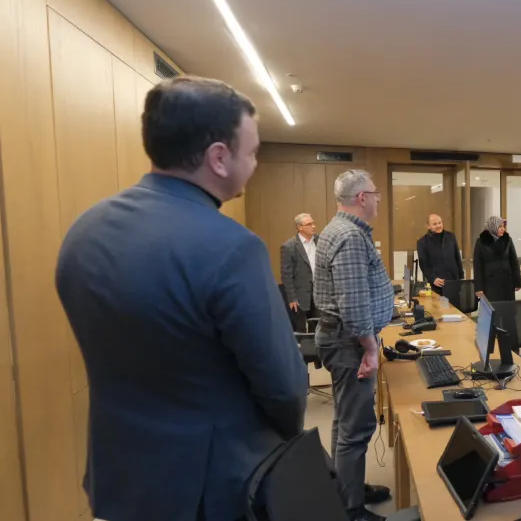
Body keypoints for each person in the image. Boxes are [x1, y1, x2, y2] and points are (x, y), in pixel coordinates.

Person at [55, 76, 308, 521]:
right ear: (219, 157)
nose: (254, 164)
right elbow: (284, 389)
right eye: (252, 152)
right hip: (211, 489)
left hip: (120, 479)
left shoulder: (83, 232)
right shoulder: (233, 248)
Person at [314, 169, 395, 521]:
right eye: (375, 193)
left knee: (344, 422)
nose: (378, 199)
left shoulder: (343, 230)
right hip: (350, 345)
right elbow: (353, 305)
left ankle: (347, 489)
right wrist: (371, 349)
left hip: (344, 341)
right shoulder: (348, 236)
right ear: (362, 198)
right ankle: (351, 510)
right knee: (355, 429)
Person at [281, 212, 319, 332]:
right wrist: (292, 298)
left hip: (319, 294)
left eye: (313, 223)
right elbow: (287, 275)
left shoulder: (320, 241)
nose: (313, 226)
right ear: (299, 227)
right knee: (301, 329)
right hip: (300, 296)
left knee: (318, 328)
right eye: (309, 224)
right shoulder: (289, 246)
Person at [473, 215, 521, 302]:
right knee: (493, 308)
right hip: (490, 283)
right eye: (500, 226)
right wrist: (478, 287)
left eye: (503, 226)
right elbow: (478, 266)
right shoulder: (481, 242)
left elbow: (514, 262)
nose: (503, 229)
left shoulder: (507, 240)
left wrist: (517, 282)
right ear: (493, 227)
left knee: (508, 308)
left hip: (507, 282)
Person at [416, 213, 463, 295]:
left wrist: (461, 276)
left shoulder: (451, 236)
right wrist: (433, 278)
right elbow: (424, 265)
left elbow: (457, 257)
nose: (438, 226)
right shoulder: (422, 242)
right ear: (429, 226)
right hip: (437, 284)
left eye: (440, 223)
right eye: (435, 224)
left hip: (454, 281)